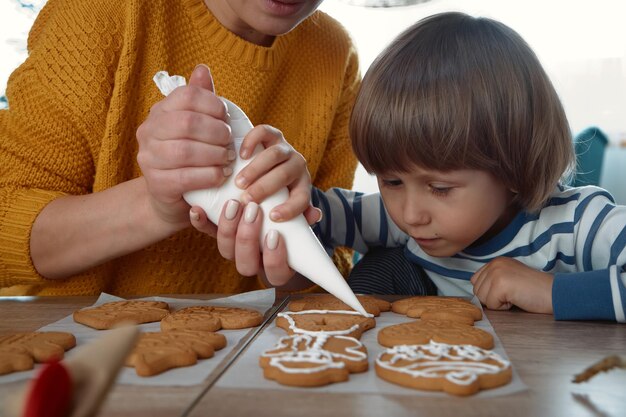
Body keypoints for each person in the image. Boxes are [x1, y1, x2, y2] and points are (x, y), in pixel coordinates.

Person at [231, 12, 626, 322]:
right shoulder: (403, 219)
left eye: (440, 188)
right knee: (380, 267)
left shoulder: (576, 224)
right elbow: (321, 213)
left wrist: (550, 292)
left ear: (512, 164)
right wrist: (266, 188)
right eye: (391, 180)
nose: (410, 214)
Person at [0, 0, 361, 296]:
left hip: (249, 355)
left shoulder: (334, 53)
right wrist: (156, 207)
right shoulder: (97, 14)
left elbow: (327, 278)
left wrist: (287, 251)